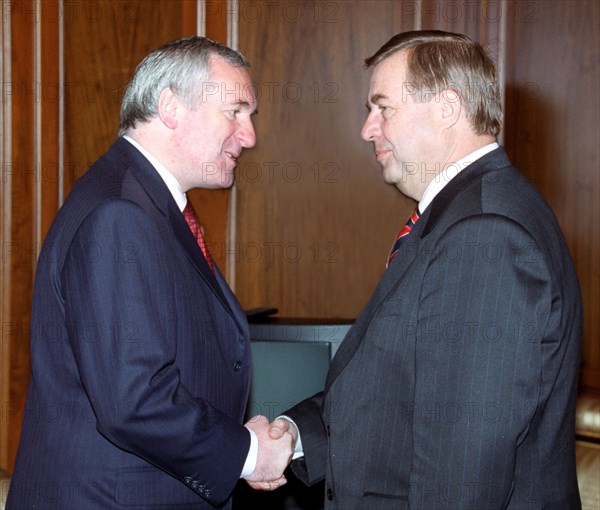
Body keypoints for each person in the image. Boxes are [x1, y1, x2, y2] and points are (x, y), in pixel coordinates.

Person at [261, 30, 583, 509]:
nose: (368, 129)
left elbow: (462, 477)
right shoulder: (466, 214)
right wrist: (293, 432)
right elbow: (392, 392)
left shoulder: (484, 234)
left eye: (383, 107)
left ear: (447, 107)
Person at [6, 36, 293, 510]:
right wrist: (246, 454)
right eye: (235, 112)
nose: (249, 135)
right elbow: (133, 401)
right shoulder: (119, 213)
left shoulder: (141, 202)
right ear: (170, 107)